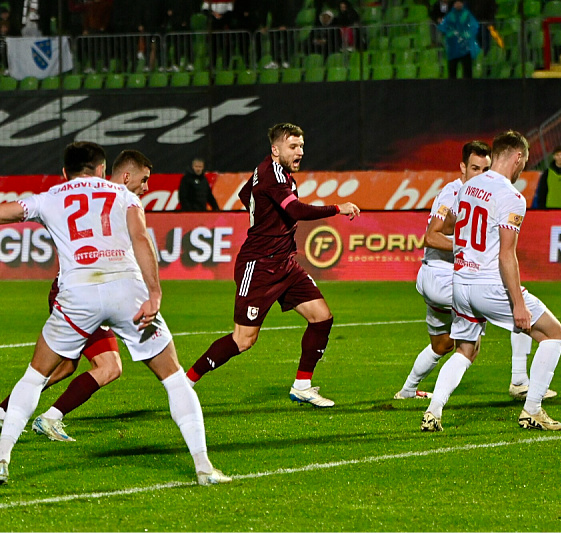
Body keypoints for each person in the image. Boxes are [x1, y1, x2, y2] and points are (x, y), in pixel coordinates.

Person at [0, 142, 230, 486]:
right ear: (103, 170)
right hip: (127, 290)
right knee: (174, 378)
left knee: (34, 377)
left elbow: (9, 211)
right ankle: (203, 467)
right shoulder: (124, 196)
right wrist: (154, 292)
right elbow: (140, 238)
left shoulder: (51, 196)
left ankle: (2, 459)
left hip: (78, 292)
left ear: (66, 172)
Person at [185, 123, 360, 408]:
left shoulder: (268, 170)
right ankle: (186, 381)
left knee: (321, 317)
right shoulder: (274, 176)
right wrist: (337, 208)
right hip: (259, 266)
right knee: (243, 340)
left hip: (284, 263)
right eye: (293, 146)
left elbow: (246, 195)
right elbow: (296, 211)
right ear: (275, 149)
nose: (300, 152)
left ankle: (302, 386)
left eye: (301, 146)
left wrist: (265, 217)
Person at [0, 150, 153, 442]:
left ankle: (8, 412)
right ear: (125, 176)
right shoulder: (116, 201)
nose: (146, 188)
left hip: (88, 291)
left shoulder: (107, 200)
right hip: (83, 294)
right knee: (109, 367)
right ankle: (48, 418)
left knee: (64, 366)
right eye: (143, 180)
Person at [420, 131, 561, 432]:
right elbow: (506, 255)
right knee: (554, 334)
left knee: (466, 350)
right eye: (524, 161)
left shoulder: (467, 187)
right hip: (488, 283)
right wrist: (518, 303)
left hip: (460, 282)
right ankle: (532, 410)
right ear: (517, 158)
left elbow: (451, 226)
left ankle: (433, 410)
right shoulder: (512, 197)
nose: (523, 167)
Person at [395, 140, 556, 402]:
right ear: (462, 167)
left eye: (485, 167)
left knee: (443, 345)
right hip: (444, 274)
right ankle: (520, 381)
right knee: (517, 307)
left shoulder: (480, 190)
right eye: (474, 168)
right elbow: (431, 237)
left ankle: (407, 390)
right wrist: (467, 246)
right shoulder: (453, 193)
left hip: (437, 278)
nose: (480, 173)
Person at [438, 0, 479, 79]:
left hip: (465, 47)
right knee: (452, 71)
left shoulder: (467, 14)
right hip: (453, 47)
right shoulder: (450, 15)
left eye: (459, 2)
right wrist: (451, 33)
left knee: (467, 71)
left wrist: (467, 35)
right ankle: (452, 88)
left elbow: (474, 26)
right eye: (456, 2)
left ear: (462, 3)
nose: (458, 4)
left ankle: (468, 88)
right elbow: (443, 26)